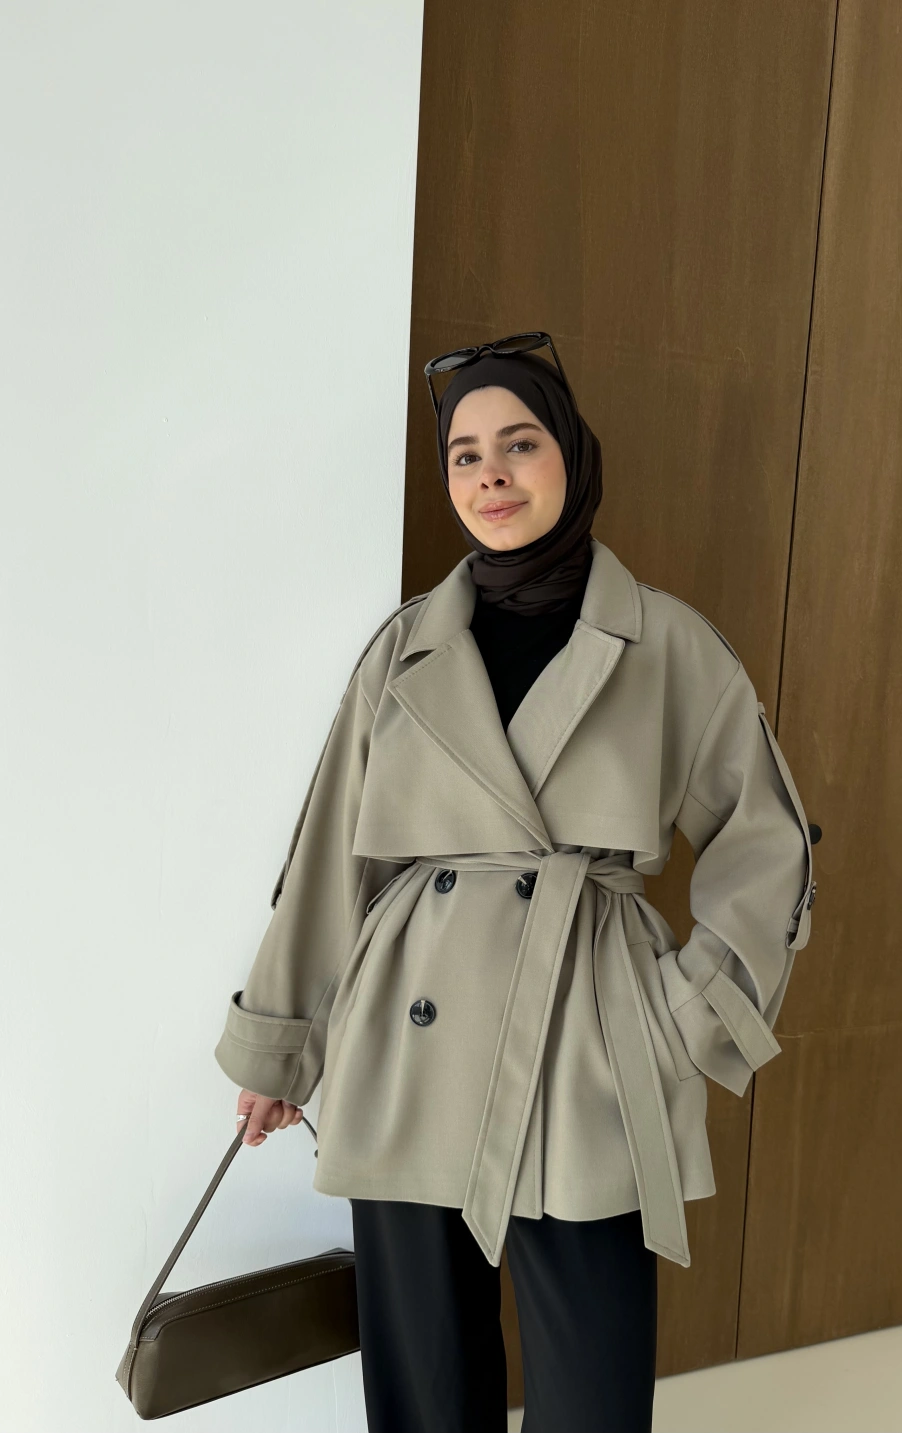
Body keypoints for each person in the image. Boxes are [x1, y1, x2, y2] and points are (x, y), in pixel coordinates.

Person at [214, 334, 816, 1433]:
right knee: (425, 1387)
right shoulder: (404, 648)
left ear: (571, 456)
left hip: (587, 1031)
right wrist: (280, 1043)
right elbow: (333, 854)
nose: (489, 474)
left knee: (591, 1391)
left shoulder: (668, 644)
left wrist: (687, 1012)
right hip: (408, 1038)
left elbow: (763, 837)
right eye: (465, 454)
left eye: (519, 443)